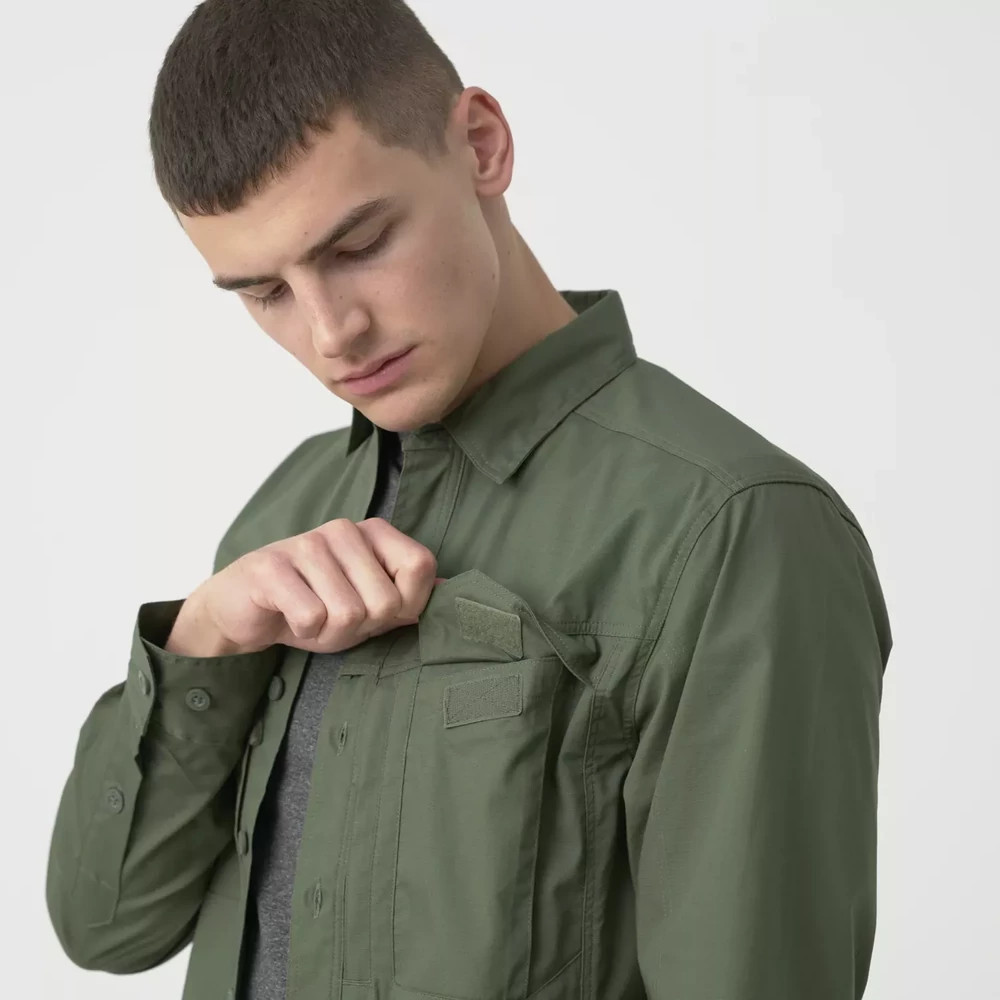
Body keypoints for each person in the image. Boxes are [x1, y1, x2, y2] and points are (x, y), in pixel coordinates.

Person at [45, 1, 894, 998]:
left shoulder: (731, 529)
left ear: (481, 146)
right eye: (264, 292)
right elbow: (107, 927)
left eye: (358, 244)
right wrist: (203, 639)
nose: (330, 332)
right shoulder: (288, 509)